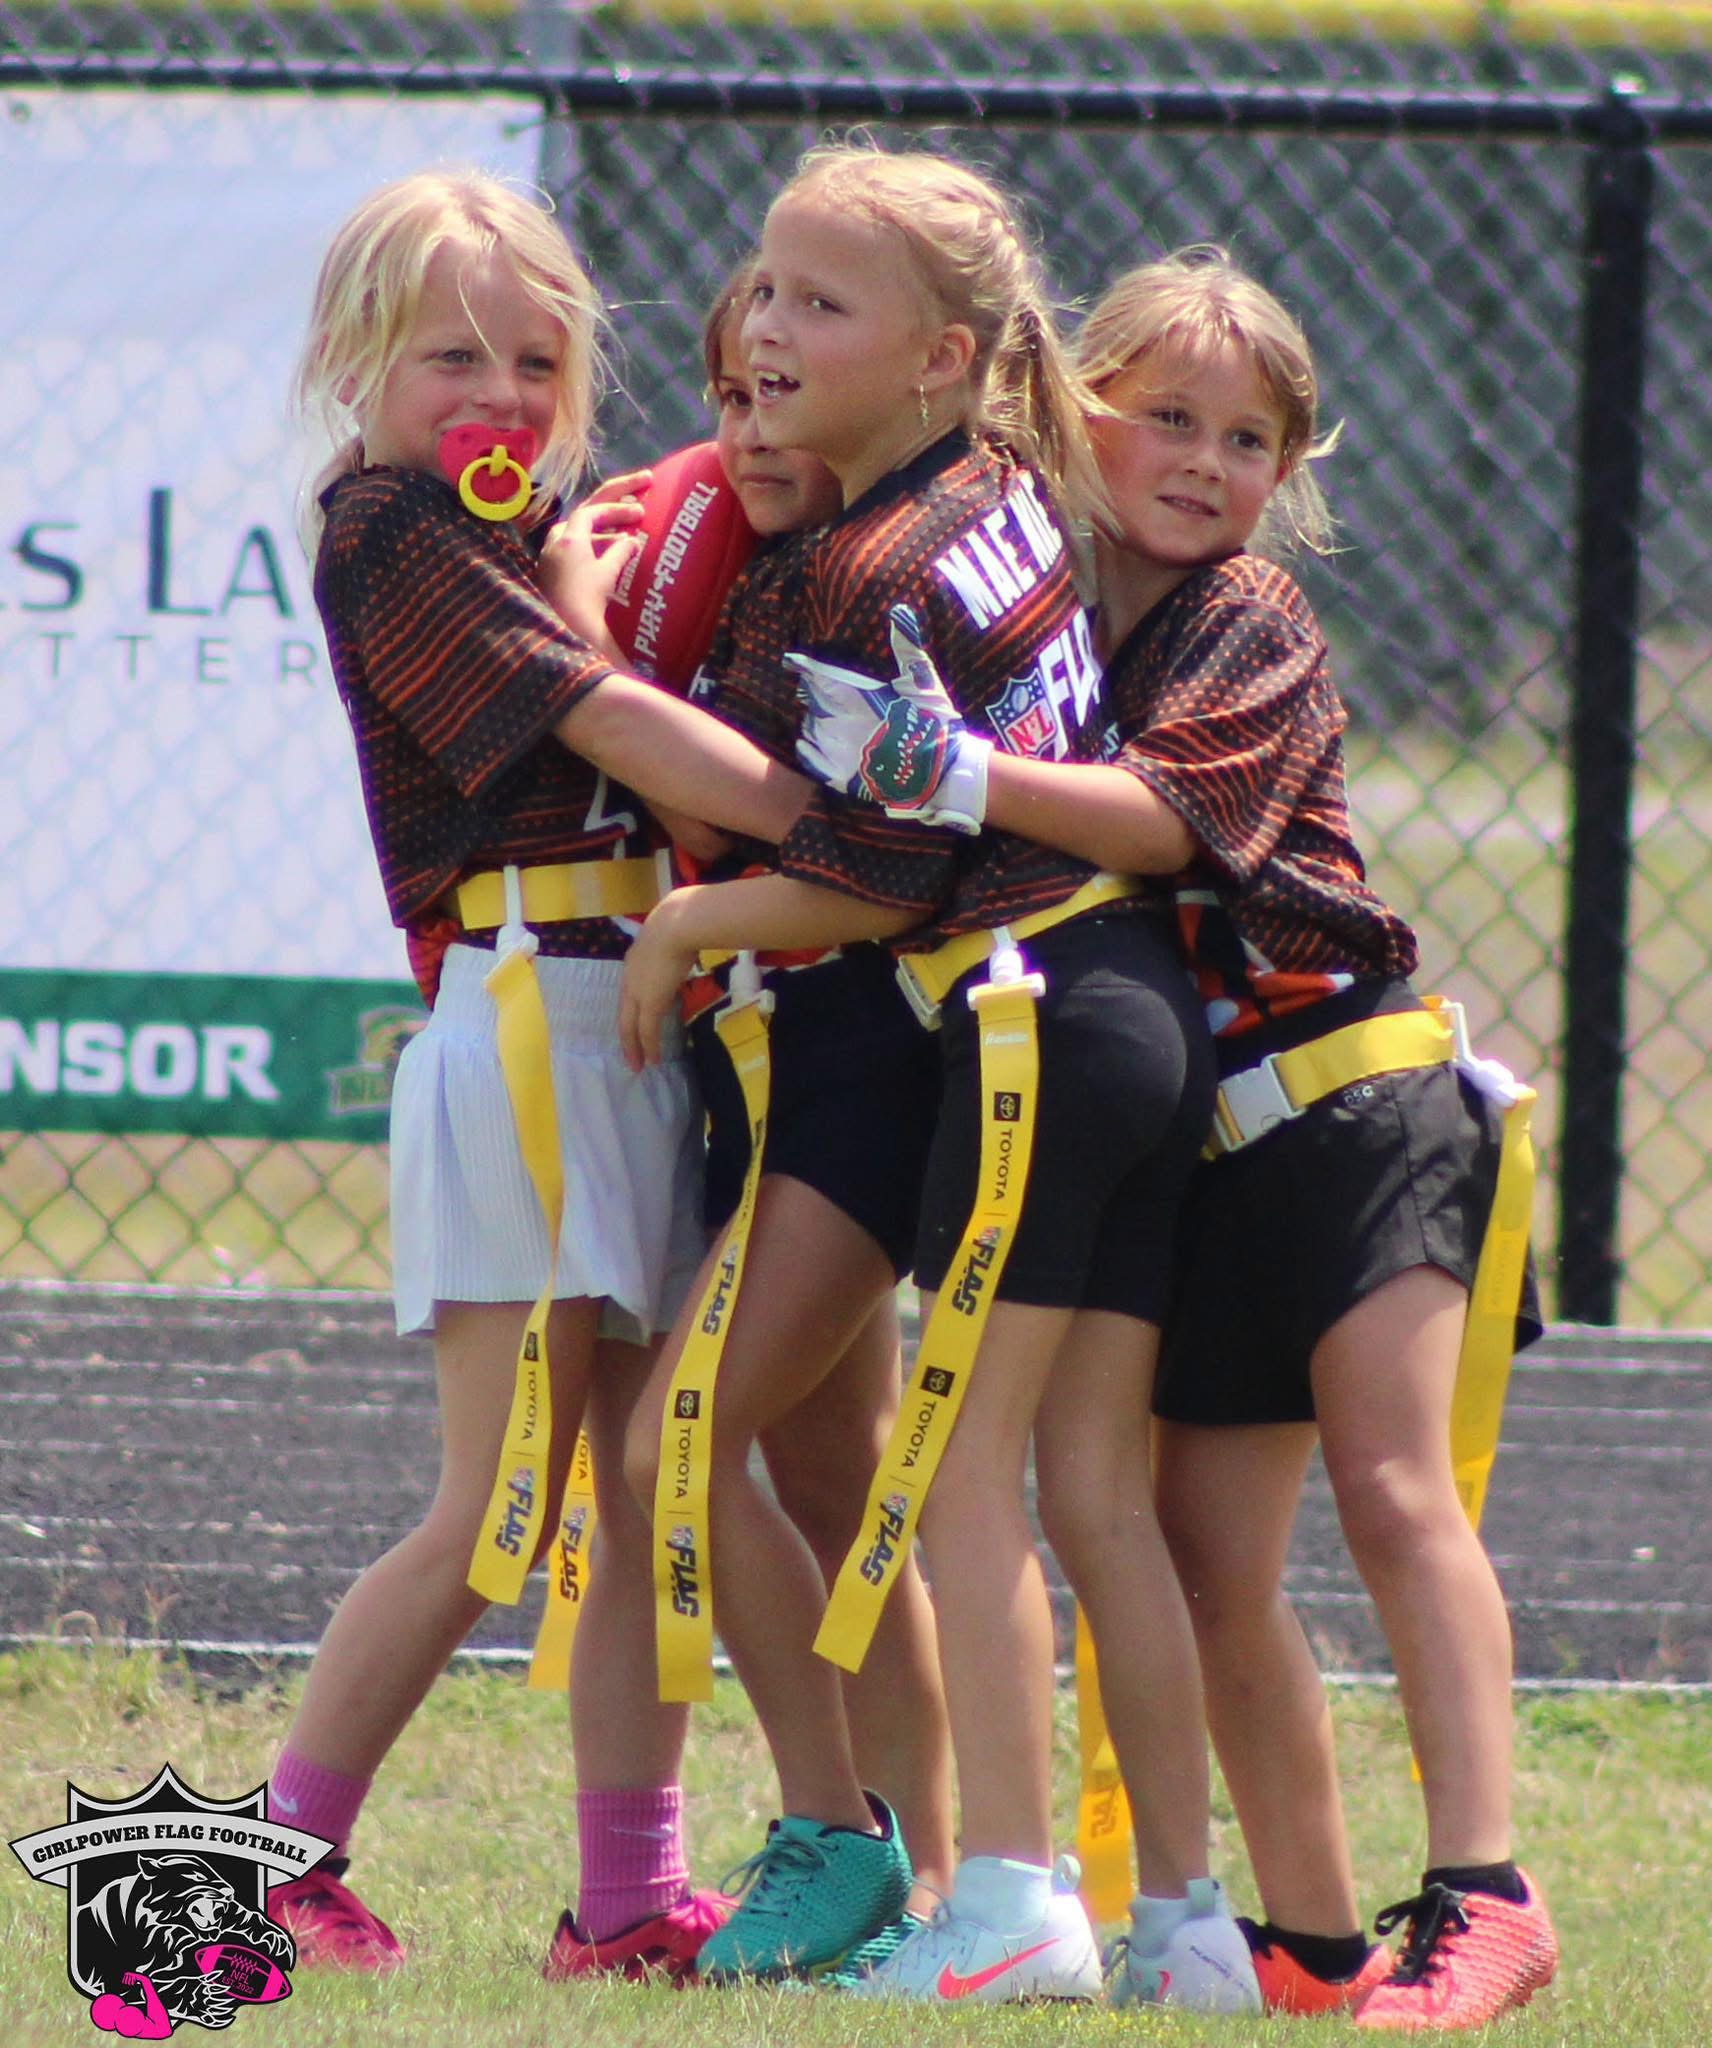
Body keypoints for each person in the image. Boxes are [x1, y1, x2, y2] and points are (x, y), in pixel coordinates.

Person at [791, 244, 1560, 2030]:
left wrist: (950, 772)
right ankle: (1309, 1944)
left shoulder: (1250, 618)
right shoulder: (1034, 594)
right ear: (1078, 412)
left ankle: (1487, 1892)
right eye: (1171, 419)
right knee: (1206, 1554)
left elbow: (1154, 823)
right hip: (1203, 1140)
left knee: (1395, 1492)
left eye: (1251, 441)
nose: (1209, 464)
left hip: (1354, 1102)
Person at [619, 144, 1249, 2009]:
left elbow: (878, 878)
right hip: (1068, 1010)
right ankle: (1144, 1913)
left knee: (843, 1464)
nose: (768, 321)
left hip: (979, 1031)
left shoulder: (876, 561)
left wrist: (688, 920)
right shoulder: (993, 484)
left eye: (820, 300)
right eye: (764, 282)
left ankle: (949, 1874)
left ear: (943, 355)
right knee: (1017, 1487)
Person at [264, 167, 841, 1980]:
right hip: (527, 1020)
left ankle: (627, 1898)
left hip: (633, 1017)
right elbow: (605, 719)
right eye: (452, 357)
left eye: (534, 361)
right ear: (356, 362)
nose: (498, 397)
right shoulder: (389, 526)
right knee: (495, 1506)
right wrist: (834, 826)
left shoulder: (532, 528)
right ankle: (273, 1859)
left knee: (651, 1488)